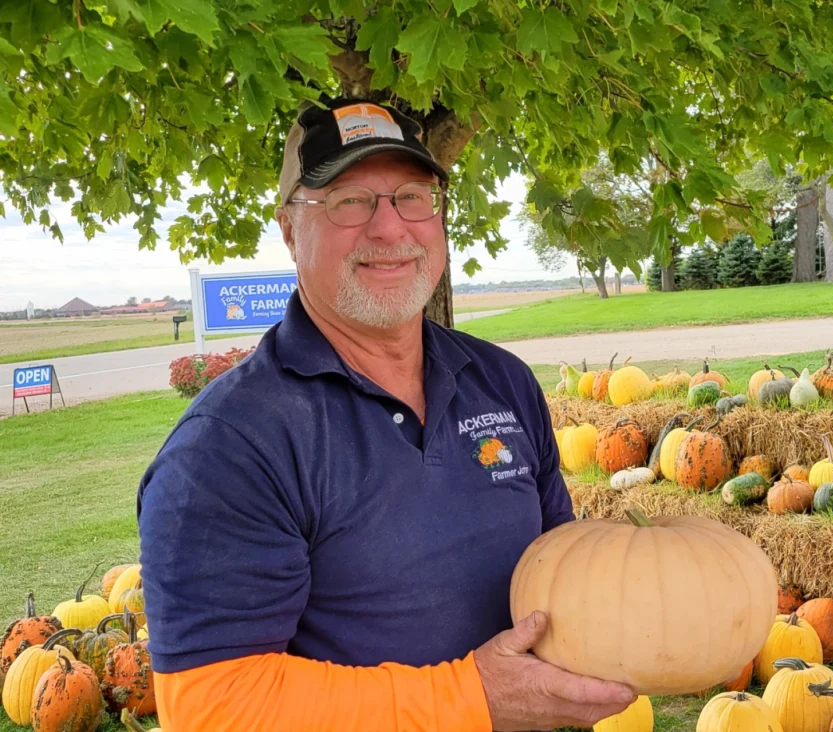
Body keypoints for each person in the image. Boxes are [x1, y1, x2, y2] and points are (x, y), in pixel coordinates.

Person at [136, 96, 638, 731]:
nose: (390, 228)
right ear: (290, 227)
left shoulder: (502, 381)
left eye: (411, 196)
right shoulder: (229, 445)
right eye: (349, 201)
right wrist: (475, 700)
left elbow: (565, 572)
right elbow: (216, 707)